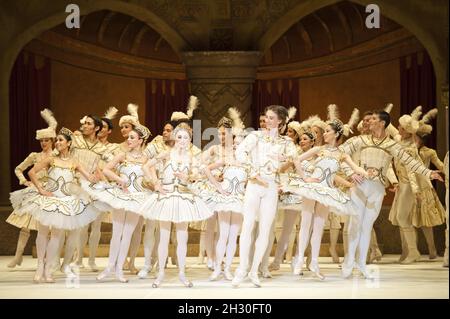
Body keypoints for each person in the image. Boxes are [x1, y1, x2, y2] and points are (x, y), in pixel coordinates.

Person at [340, 110, 443, 278]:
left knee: (366, 227)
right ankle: (349, 261)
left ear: (382, 123)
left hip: (377, 189)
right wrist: (351, 172)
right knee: (355, 224)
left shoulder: (392, 145)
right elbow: (340, 154)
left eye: (373, 119)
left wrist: (428, 173)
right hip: (359, 187)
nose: (369, 122)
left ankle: (361, 264)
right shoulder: (360, 140)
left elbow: (410, 162)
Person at [12, 127, 99, 283]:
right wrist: (40, 189)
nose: (57, 142)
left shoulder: (74, 162)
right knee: (43, 233)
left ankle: (48, 268)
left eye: (60, 140)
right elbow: (31, 172)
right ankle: (40, 266)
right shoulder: (51, 159)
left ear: (68, 143)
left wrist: (97, 175)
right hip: (48, 199)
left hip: (64, 202)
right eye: (57, 140)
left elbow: (90, 178)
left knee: (57, 236)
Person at [140, 122, 213, 288]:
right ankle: (160, 274)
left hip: (183, 198)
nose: (182, 140)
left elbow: (201, 175)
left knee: (182, 238)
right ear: (175, 138)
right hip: (166, 198)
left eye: (185, 137)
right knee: (163, 238)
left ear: (189, 140)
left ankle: (182, 273)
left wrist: (187, 178)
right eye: (179, 137)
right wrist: (156, 183)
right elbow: (146, 166)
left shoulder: (193, 158)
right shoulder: (166, 154)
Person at [232, 105, 297, 288]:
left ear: (280, 121)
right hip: (254, 184)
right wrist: (252, 172)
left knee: (265, 230)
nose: (266, 121)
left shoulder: (287, 143)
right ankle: (242, 269)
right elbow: (240, 152)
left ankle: (255, 270)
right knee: (247, 226)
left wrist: (284, 171)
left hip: (270, 187)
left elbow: (295, 160)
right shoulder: (255, 136)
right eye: (266, 117)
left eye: (270, 118)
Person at [85, 124, 152, 283]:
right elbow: (107, 169)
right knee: (117, 233)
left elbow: (151, 177)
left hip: (137, 198)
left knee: (127, 234)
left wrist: (154, 185)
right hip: (121, 195)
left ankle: (119, 269)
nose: (128, 140)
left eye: (132, 137)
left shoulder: (146, 160)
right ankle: (109, 267)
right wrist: (119, 179)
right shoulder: (122, 155)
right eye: (128, 137)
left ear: (141, 141)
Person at [7, 109, 56, 268]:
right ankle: (18, 256)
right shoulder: (34, 156)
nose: (44, 143)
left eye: (47, 140)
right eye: (42, 140)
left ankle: (48, 261)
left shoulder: (55, 155)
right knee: (25, 226)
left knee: (49, 227)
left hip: (49, 192)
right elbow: (18, 169)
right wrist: (24, 181)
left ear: (52, 140)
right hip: (34, 190)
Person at [205, 108, 248, 281]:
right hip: (225, 198)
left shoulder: (246, 161)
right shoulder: (226, 158)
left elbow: (252, 177)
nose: (237, 144)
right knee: (223, 233)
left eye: (240, 141)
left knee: (233, 235)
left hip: (239, 199)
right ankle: (217, 267)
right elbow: (207, 169)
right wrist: (218, 186)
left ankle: (228, 268)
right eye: (235, 141)